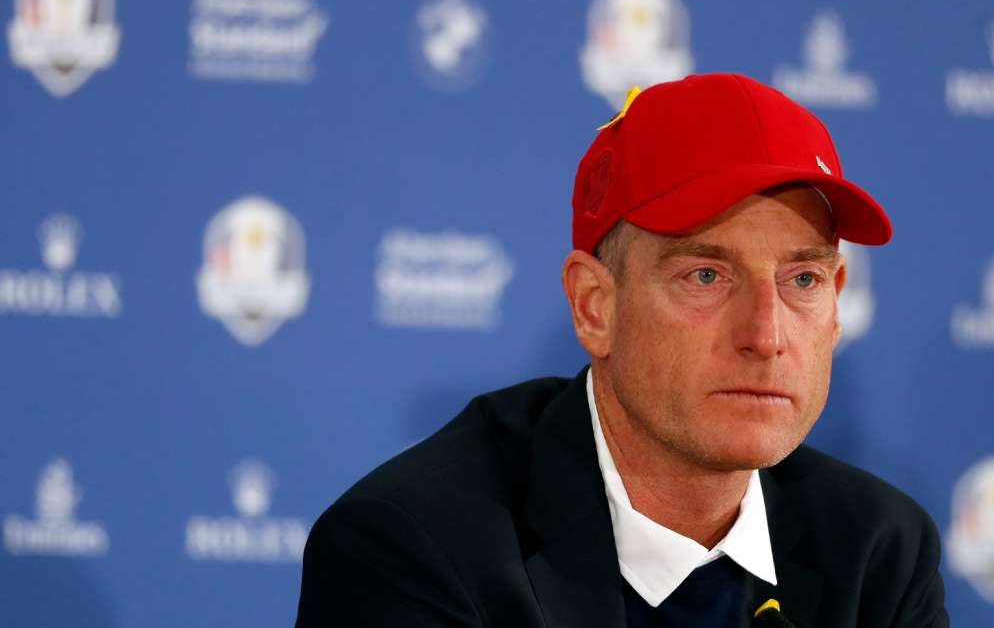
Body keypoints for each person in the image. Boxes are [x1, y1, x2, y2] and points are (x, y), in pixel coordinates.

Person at [296, 73, 948, 627]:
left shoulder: (878, 553)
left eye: (801, 280)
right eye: (706, 276)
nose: (767, 335)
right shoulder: (412, 549)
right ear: (594, 306)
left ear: (836, 302)